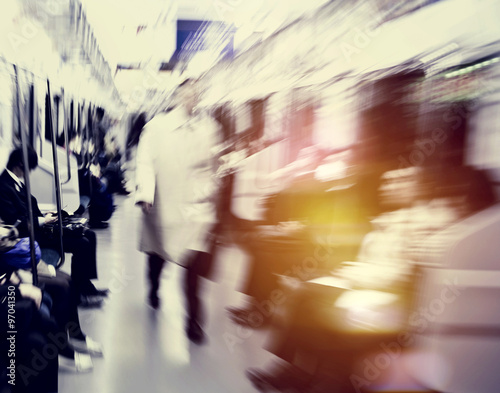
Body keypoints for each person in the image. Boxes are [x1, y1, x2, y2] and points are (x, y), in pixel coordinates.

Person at [135, 79, 221, 344]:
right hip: (164, 203)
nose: (192, 97)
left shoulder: (209, 129)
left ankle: (193, 321)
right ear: (177, 95)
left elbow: (213, 165)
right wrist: (146, 193)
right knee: (158, 254)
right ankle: (154, 286)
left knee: (193, 266)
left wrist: (210, 190)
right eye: (187, 92)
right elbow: (145, 162)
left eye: (197, 92)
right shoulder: (156, 128)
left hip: (195, 208)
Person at [0, 148, 107, 306]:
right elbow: (16, 222)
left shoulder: (15, 182)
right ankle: (80, 292)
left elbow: (28, 211)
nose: (29, 172)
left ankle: (86, 286)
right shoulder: (4, 186)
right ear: (21, 163)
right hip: (31, 236)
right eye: (29, 167)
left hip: (39, 227)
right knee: (83, 244)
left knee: (89, 235)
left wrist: (45, 216)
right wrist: (44, 221)